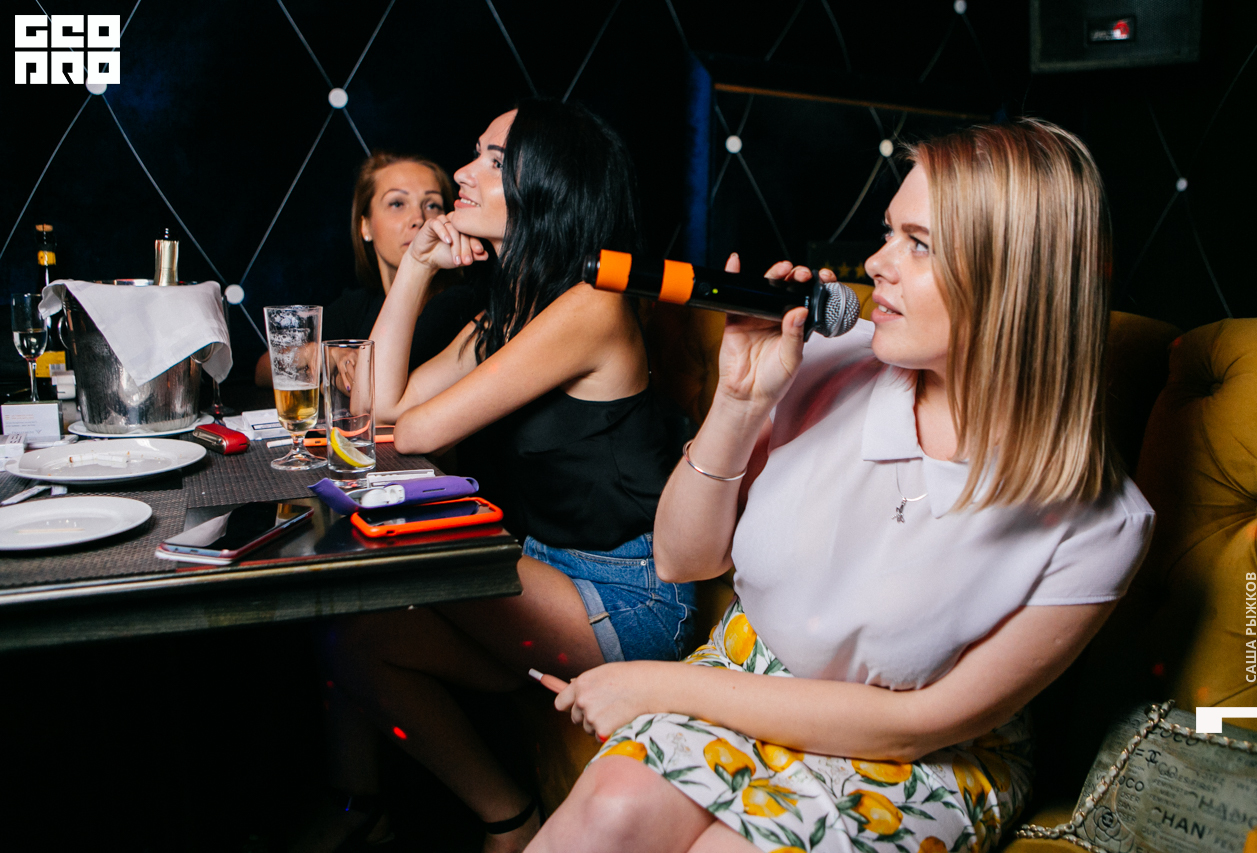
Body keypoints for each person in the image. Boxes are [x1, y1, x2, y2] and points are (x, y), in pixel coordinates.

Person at [531, 119, 1156, 853]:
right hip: (747, 672)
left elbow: (921, 724)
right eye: (889, 232)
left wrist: (654, 686)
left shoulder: (1103, 523)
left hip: (915, 757)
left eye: (918, 244)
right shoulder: (828, 358)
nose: (875, 263)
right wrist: (739, 402)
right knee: (611, 808)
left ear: (1017, 282)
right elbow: (680, 559)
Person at [306, 99, 696, 853]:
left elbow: (410, 432)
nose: (462, 172)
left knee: (397, 557)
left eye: (492, 159)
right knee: (355, 636)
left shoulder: (592, 307)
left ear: (545, 186)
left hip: (627, 599)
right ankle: (509, 818)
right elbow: (375, 407)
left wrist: (395, 418)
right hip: (550, 578)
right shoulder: (511, 308)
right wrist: (417, 266)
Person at [254, 152, 476, 386]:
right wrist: (323, 354)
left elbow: (378, 390)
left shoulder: (461, 304)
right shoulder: (359, 305)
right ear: (366, 226)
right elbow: (265, 369)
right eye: (397, 204)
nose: (419, 218)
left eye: (432, 205)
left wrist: (335, 379)